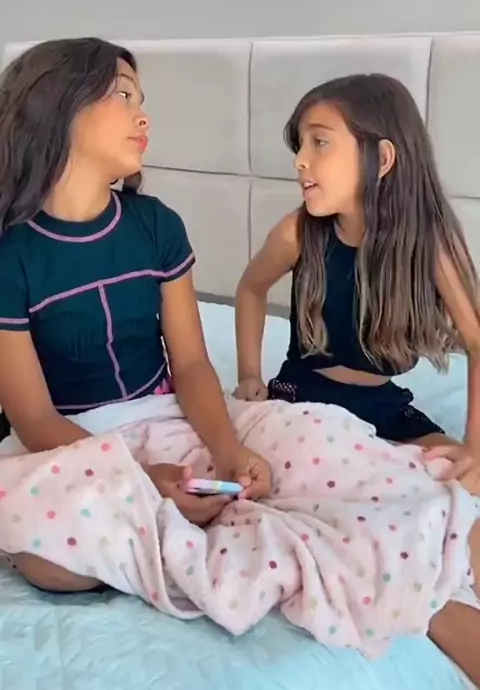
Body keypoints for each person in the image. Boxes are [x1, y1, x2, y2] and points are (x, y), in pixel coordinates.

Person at [0, 37, 272, 542]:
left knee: (309, 437)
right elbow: (34, 418)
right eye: (124, 96)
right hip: (65, 443)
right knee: (35, 541)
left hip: (164, 415)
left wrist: (228, 450)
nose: (143, 117)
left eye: (141, 102)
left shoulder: (157, 225)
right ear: (56, 107)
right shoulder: (10, 255)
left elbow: (191, 364)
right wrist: (139, 479)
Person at [235, 73, 480, 496]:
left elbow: (476, 342)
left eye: (319, 142)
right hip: (301, 397)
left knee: (458, 480)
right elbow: (250, 290)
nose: (300, 160)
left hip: (383, 407)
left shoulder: (432, 244)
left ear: (382, 159)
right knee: (310, 477)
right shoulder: (297, 233)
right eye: (300, 145)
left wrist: (475, 446)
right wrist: (249, 375)